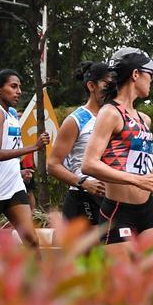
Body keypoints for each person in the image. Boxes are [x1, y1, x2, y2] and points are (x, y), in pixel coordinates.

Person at [82, 47, 153, 254]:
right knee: (121, 284)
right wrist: (136, 180)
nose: (152, 79)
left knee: (147, 281)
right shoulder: (110, 113)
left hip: (147, 211)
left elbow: (141, 166)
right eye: (150, 73)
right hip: (119, 211)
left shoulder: (143, 119)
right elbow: (89, 164)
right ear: (135, 74)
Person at [0, 69, 50, 252]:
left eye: (19, 87)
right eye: (13, 86)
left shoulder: (12, 113)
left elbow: (10, 148)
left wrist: (17, 170)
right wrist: (34, 147)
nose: (18, 91)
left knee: (32, 241)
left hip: (13, 185)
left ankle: (37, 281)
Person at [48, 61, 109, 226]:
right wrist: (83, 183)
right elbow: (53, 165)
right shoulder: (76, 120)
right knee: (85, 253)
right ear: (91, 86)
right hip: (82, 199)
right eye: (107, 84)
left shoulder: (113, 117)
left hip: (110, 198)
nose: (112, 89)